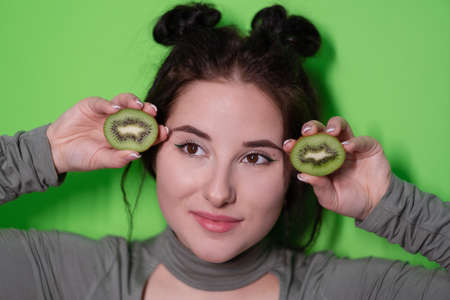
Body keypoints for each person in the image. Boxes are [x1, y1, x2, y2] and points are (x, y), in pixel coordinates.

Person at [1, 3, 449, 299]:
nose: (219, 193)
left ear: (296, 168)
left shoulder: (345, 290)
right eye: (193, 147)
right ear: (153, 150)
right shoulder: (63, 275)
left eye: (256, 157)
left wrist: (389, 204)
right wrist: (43, 152)